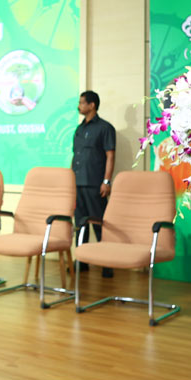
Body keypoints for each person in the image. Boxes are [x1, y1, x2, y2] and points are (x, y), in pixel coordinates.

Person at [73, 90, 116, 278]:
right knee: (80, 224)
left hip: (94, 183)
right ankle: (81, 261)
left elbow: (110, 155)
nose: (79, 106)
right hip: (78, 183)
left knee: (99, 224)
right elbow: (76, 156)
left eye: (82, 103)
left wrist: (106, 181)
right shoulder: (79, 129)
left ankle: (107, 262)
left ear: (92, 105)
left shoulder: (105, 128)